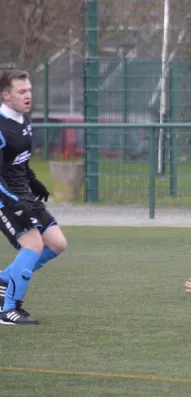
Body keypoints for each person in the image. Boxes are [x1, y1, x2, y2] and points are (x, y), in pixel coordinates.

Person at [0, 69, 68, 325]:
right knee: (34, 245)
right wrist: (12, 202)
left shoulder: (24, 121)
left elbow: (19, 163)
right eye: (21, 91)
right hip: (5, 199)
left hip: (24, 195)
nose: (28, 95)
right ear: (5, 96)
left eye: (29, 90)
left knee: (57, 244)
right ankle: (8, 310)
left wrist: (33, 181)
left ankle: (5, 279)